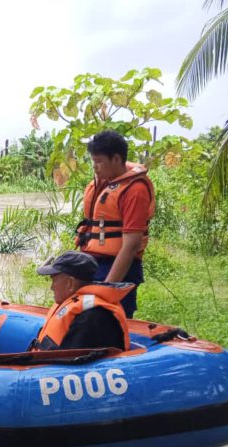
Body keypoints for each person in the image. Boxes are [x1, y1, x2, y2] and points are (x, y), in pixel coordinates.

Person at [76, 130, 155, 318]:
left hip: (116, 268)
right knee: (87, 320)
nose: (95, 167)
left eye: (99, 162)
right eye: (93, 161)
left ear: (117, 159)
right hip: (95, 263)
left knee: (110, 322)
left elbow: (131, 245)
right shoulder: (107, 182)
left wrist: (108, 288)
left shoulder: (135, 191)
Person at [30, 250, 133, 351]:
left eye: (54, 280)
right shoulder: (83, 310)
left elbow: (70, 363)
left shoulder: (90, 318)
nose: (51, 287)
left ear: (70, 283)